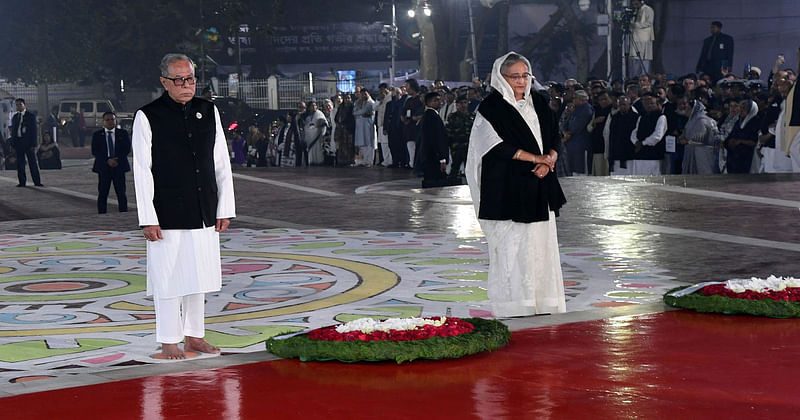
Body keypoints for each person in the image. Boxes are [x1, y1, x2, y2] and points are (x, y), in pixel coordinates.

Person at [132, 53, 235, 359]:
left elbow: (221, 162)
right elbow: (141, 169)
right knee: (168, 278)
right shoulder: (148, 115)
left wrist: (223, 207)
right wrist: (147, 217)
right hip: (166, 212)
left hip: (203, 207)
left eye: (190, 78)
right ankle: (168, 341)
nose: (187, 85)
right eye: (179, 80)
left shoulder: (208, 110)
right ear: (165, 82)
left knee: (198, 276)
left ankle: (194, 337)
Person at [465, 52, 567, 318]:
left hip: (540, 184)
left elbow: (555, 136)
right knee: (514, 248)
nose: (521, 81)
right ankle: (516, 305)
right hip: (509, 187)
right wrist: (536, 158)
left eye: (525, 76)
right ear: (502, 77)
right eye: (515, 76)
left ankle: (544, 301)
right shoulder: (491, 108)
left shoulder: (540, 104)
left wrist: (549, 161)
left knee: (540, 245)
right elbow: (493, 146)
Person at [92, 112, 130, 213]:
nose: (110, 122)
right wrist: (107, 160)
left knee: (121, 192)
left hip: (119, 166)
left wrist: (117, 160)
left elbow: (127, 149)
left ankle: (123, 212)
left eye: (112, 119)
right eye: (107, 120)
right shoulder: (97, 135)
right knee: (103, 192)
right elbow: (95, 151)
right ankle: (102, 213)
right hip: (104, 167)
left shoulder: (123, 133)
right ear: (103, 122)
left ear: (115, 120)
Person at [679, 97, 721, 174]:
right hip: (694, 152)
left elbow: (703, 139)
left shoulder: (702, 120)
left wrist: (687, 141)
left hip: (703, 154)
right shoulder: (692, 121)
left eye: (688, 108)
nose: (686, 110)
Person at [630, 93, 667, 175]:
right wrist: (636, 142)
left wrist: (642, 143)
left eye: (652, 103)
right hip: (640, 155)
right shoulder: (641, 117)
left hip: (654, 155)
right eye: (647, 104)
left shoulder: (661, 117)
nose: (649, 106)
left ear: (657, 104)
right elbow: (634, 132)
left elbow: (657, 136)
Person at [10, 98, 43, 187]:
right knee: (20, 163)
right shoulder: (15, 117)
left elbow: (34, 131)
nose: (18, 106)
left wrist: (34, 144)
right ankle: (22, 182)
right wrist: (13, 143)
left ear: (24, 105)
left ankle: (37, 181)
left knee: (32, 162)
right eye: (17, 105)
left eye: (20, 104)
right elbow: (14, 131)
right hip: (19, 143)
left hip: (28, 144)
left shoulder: (30, 116)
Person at [419, 91, 449, 188]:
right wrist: (442, 158)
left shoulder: (430, 115)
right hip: (433, 158)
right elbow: (436, 139)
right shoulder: (432, 117)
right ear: (428, 102)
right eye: (435, 100)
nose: (439, 102)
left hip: (429, 156)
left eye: (439, 100)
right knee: (434, 185)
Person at [605, 95, 639, 174]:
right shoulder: (614, 117)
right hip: (616, 153)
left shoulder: (635, 117)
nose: (622, 106)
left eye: (624, 104)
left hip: (630, 154)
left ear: (629, 104)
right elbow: (611, 136)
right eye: (620, 105)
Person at [723, 99, 760, 173]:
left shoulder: (756, 121)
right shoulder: (740, 121)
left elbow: (755, 141)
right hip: (736, 157)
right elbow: (733, 134)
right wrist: (729, 141)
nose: (741, 110)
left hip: (749, 157)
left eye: (744, 108)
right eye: (741, 108)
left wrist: (740, 141)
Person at [562, 90, 593, 175]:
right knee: (573, 169)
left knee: (580, 169)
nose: (573, 100)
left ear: (583, 99)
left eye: (575, 98)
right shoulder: (576, 109)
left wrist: (569, 133)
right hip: (572, 143)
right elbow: (567, 123)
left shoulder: (586, 110)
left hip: (581, 143)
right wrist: (565, 131)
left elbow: (578, 126)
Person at [447, 95, 474, 179]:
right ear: (457, 105)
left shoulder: (472, 116)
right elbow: (449, 132)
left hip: (469, 147)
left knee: (470, 170)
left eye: (465, 103)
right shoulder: (452, 117)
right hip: (457, 146)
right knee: (455, 168)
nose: (463, 105)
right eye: (461, 103)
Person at [629, 0, 654, 76]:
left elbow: (649, 22)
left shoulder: (648, 9)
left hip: (644, 39)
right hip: (635, 38)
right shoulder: (635, 11)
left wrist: (636, 25)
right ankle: (635, 78)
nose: (634, 4)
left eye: (636, 2)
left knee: (644, 61)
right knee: (635, 60)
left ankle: (644, 78)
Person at [353, 89, 377, 166]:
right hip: (361, 126)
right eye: (362, 94)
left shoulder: (371, 103)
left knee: (369, 144)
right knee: (362, 144)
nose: (363, 96)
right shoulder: (360, 102)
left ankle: (369, 161)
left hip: (368, 126)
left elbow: (362, 111)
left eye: (365, 94)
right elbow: (354, 112)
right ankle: (364, 160)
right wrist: (359, 112)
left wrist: (359, 113)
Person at [303, 101, 328, 165]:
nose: (314, 107)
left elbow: (324, 123)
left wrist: (317, 127)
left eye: (315, 105)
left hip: (317, 137)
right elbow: (306, 126)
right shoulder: (308, 117)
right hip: (309, 138)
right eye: (312, 106)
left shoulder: (319, 113)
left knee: (318, 152)